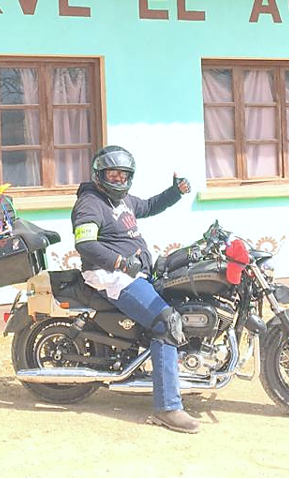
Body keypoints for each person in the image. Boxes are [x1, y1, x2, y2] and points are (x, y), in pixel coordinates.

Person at [71, 145, 199, 434]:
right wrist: (118, 261)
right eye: (112, 175)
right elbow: (85, 244)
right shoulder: (90, 203)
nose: (117, 180)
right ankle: (168, 408)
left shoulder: (124, 201)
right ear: (99, 175)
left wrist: (175, 191)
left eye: (122, 175)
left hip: (134, 273)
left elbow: (150, 206)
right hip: (111, 276)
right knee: (166, 323)